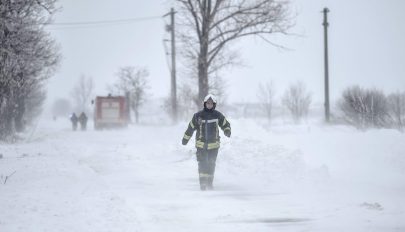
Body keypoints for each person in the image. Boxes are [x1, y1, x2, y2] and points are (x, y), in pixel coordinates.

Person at [182, 94, 231, 190]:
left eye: (211, 103)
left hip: (214, 145)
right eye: (207, 103)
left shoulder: (218, 115)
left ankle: (209, 183)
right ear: (205, 104)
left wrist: (227, 130)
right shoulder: (198, 116)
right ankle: (203, 184)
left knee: (211, 163)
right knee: (202, 163)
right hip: (201, 145)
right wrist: (185, 139)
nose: (209, 105)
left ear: (214, 104)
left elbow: (225, 124)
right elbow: (190, 128)